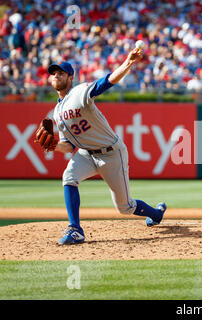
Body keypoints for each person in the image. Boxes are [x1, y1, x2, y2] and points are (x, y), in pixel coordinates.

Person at [46, 48, 166, 245]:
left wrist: (128, 62)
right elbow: (69, 147)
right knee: (69, 177)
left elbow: (107, 82)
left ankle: (157, 214)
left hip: (111, 153)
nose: (56, 76)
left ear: (70, 77)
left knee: (124, 207)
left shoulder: (79, 92)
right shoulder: (57, 111)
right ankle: (75, 229)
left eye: (61, 73)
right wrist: (54, 146)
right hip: (86, 153)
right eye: (54, 74)